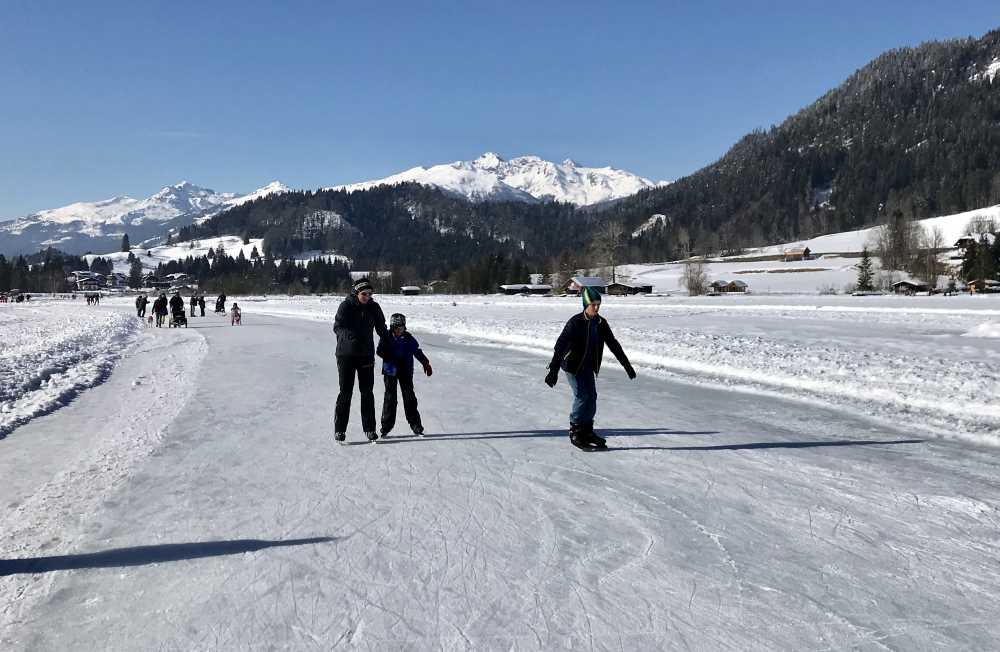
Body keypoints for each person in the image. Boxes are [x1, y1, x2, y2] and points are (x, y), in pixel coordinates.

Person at [545, 287, 636, 449]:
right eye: (593, 305)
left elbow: (613, 344)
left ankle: (587, 430)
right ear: (585, 305)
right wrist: (553, 370)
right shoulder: (575, 322)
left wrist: (626, 365)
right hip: (572, 366)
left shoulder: (600, 323)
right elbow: (560, 346)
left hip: (588, 366)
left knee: (592, 396)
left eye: (598, 305)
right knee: (582, 396)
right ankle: (575, 430)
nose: (596, 308)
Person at [333, 278, 389, 443]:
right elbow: (337, 327)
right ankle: (340, 430)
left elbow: (381, 328)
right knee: (346, 392)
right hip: (346, 355)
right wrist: (349, 336)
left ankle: (370, 429)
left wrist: (389, 343)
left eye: (370, 294)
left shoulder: (374, 307)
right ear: (356, 292)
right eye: (364, 294)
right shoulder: (346, 306)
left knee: (367, 393)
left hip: (366, 355)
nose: (367, 297)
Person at [377, 313, 431, 438]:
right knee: (390, 399)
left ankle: (416, 425)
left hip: (405, 372)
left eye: (401, 328)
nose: (398, 330)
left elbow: (417, 351)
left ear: (404, 327)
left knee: (409, 398)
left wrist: (425, 362)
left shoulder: (408, 338)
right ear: (391, 327)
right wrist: (390, 356)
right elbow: (379, 351)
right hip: (390, 371)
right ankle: (386, 426)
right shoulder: (387, 337)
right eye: (396, 328)